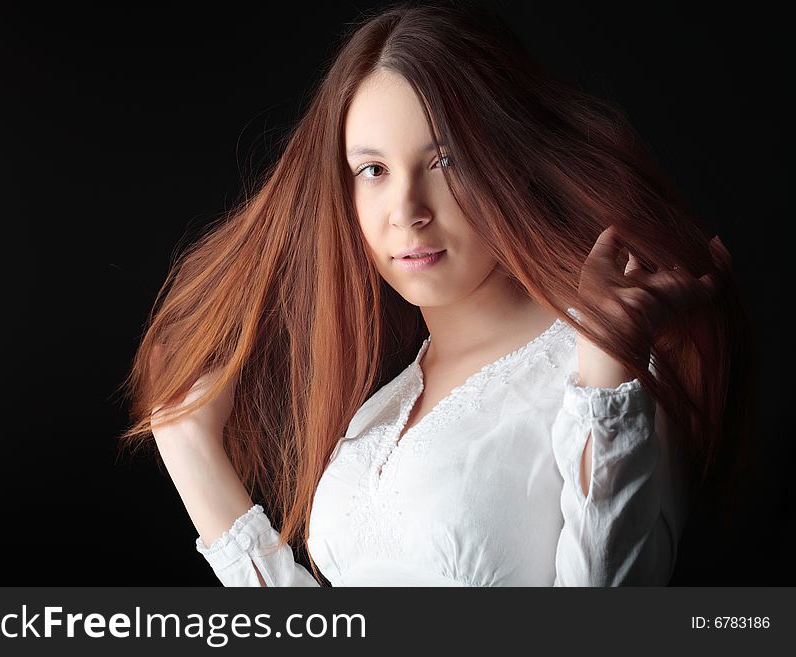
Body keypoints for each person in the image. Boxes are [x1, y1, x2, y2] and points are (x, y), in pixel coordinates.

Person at [118, 1, 753, 586]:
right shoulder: (384, 409)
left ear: (510, 160)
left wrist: (608, 372)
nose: (407, 211)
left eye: (444, 159)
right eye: (374, 170)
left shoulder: (600, 375)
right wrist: (192, 448)